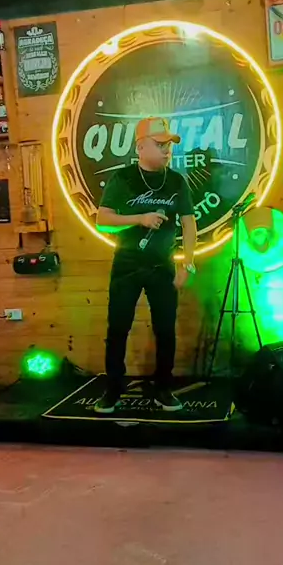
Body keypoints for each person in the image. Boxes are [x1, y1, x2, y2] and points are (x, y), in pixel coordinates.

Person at [94, 117, 197, 414]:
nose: (167, 150)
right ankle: (113, 388)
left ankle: (163, 388)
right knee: (118, 328)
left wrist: (187, 263)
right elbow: (102, 220)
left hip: (162, 265)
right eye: (160, 144)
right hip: (127, 263)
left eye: (169, 145)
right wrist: (139, 218)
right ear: (141, 146)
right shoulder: (123, 178)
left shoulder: (176, 181)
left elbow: (189, 224)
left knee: (165, 330)